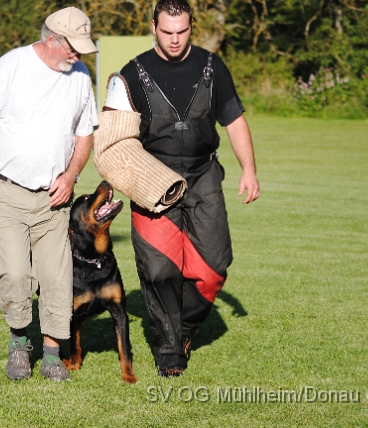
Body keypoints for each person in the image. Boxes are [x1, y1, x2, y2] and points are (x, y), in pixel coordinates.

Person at [118, 0, 260, 377]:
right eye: (167, 31)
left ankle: (182, 328)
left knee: (213, 268)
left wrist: (249, 169)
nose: (175, 39)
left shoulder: (212, 67)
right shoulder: (133, 73)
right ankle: (170, 348)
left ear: (191, 27)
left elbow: (234, 119)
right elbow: (115, 138)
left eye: (182, 31)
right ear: (153, 27)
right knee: (160, 269)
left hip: (203, 177)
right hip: (154, 181)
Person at [0, 7, 98, 382]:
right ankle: (19, 345)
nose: (79, 55)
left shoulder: (80, 77)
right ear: (52, 40)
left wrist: (72, 175)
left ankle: (53, 356)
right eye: (74, 47)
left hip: (54, 201)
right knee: (16, 273)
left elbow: (84, 135)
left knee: (57, 278)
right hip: (6, 195)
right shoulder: (13, 66)